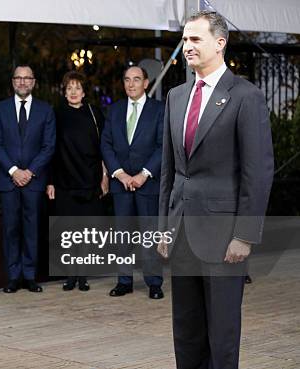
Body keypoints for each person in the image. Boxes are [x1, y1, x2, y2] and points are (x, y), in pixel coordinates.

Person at [157, 11, 273, 369]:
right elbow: (169, 171)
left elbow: (259, 172)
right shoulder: (176, 97)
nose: (187, 45)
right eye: (185, 39)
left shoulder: (245, 97)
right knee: (186, 331)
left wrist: (245, 235)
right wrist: (164, 227)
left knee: (222, 334)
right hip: (181, 234)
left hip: (224, 239)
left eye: (195, 39)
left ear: (220, 43)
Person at [0, 65, 56, 293]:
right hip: (8, 180)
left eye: (27, 78)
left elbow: (49, 146)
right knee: (10, 229)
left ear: (34, 82)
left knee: (32, 229)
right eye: (18, 78)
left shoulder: (45, 110)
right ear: (13, 82)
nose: (23, 82)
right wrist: (14, 171)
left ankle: (29, 276)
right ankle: (13, 277)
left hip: (34, 181)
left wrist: (29, 172)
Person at [100, 66, 165, 299]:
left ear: (146, 83)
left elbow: (162, 146)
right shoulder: (114, 110)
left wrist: (143, 174)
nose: (131, 84)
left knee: (149, 235)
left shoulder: (159, 110)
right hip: (121, 183)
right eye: (127, 79)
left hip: (148, 183)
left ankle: (154, 282)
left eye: (136, 79)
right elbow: (105, 144)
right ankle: (124, 281)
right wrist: (120, 174)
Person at [46, 71, 108, 291]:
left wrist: (104, 175)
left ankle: (83, 276)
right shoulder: (55, 115)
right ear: (64, 92)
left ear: (84, 92)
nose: (73, 92)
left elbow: (104, 147)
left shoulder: (95, 113)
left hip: (90, 179)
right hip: (64, 181)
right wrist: (50, 181)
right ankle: (70, 276)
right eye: (69, 88)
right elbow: (50, 150)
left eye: (77, 88)